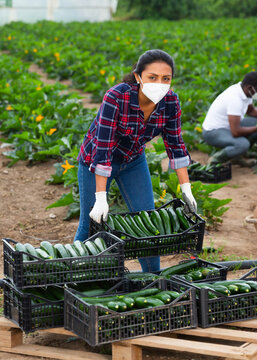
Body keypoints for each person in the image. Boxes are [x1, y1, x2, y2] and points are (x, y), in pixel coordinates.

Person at [75, 49, 197, 272]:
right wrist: (101, 198)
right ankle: (71, 272)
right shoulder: (116, 97)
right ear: (138, 76)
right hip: (97, 161)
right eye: (152, 77)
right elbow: (103, 148)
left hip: (133, 161)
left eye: (166, 78)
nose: (159, 83)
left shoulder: (170, 102)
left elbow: (176, 147)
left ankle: (154, 277)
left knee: (148, 223)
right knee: (91, 222)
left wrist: (186, 189)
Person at [201, 71, 257, 165]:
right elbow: (236, 132)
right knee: (243, 144)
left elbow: (250, 110)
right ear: (250, 87)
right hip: (213, 132)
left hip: (228, 126)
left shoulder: (245, 92)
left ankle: (237, 156)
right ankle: (215, 160)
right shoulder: (235, 99)